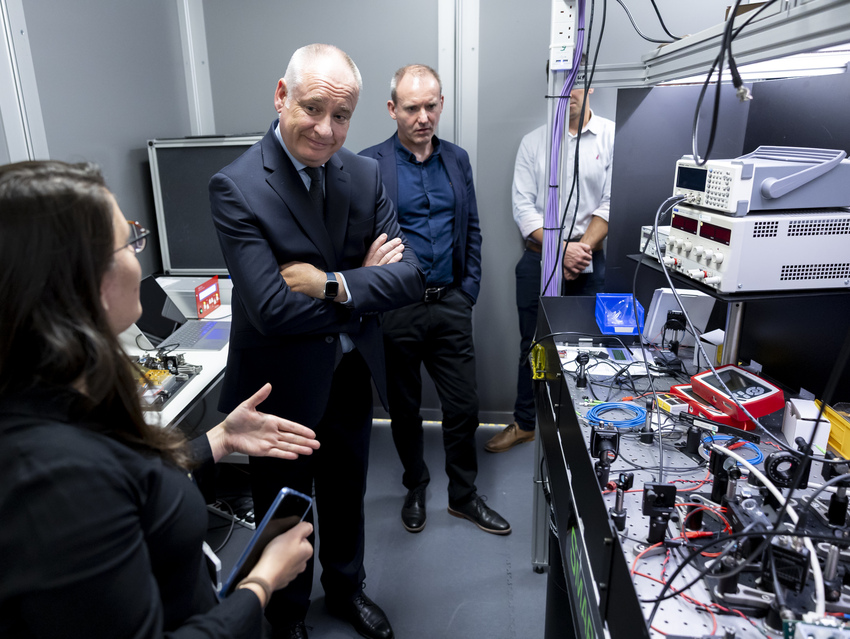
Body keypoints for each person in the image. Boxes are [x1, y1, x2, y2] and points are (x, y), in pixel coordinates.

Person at [0, 160, 320, 638]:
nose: (137, 253)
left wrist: (218, 440)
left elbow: (127, 481)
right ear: (81, 280)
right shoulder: (54, 477)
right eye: (128, 241)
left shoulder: (65, 391)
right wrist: (262, 581)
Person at [209, 44, 425, 639]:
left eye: (343, 116)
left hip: (351, 375)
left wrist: (329, 282)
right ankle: (287, 614)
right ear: (281, 96)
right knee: (286, 504)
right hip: (279, 387)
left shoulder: (363, 173)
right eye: (312, 109)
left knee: (346, 489)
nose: (327, 130)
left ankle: (346, 588)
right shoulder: (238, 186)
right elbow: (273, 310)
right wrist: (362, 288)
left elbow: (409, 278)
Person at [360, 64, 510, 537]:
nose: (423, 117)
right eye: (412, 108)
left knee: (463, 405)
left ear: (440, 104)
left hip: (450, 303)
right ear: (392, 110)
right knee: (402, 409)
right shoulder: (367, 165)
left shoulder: (458, 160)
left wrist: (468, 293)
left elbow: (473, 231)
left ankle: (463, 496)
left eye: (431, 105)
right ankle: (416, 485)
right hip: (396, 308)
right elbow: (357, 239)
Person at [484, 73, 615, 453]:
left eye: (575, 83)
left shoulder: (611, 138)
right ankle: (526, 423)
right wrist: (561, 251)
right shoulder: (534, 143)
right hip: (539, 260)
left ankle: (585, 431)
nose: (567, 93)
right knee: (533, 345)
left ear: (591, 85)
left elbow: (611, 202)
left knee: (587, 347)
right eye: (559, 83)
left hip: (590, 260)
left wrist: (580, 250)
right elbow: (522, 208)